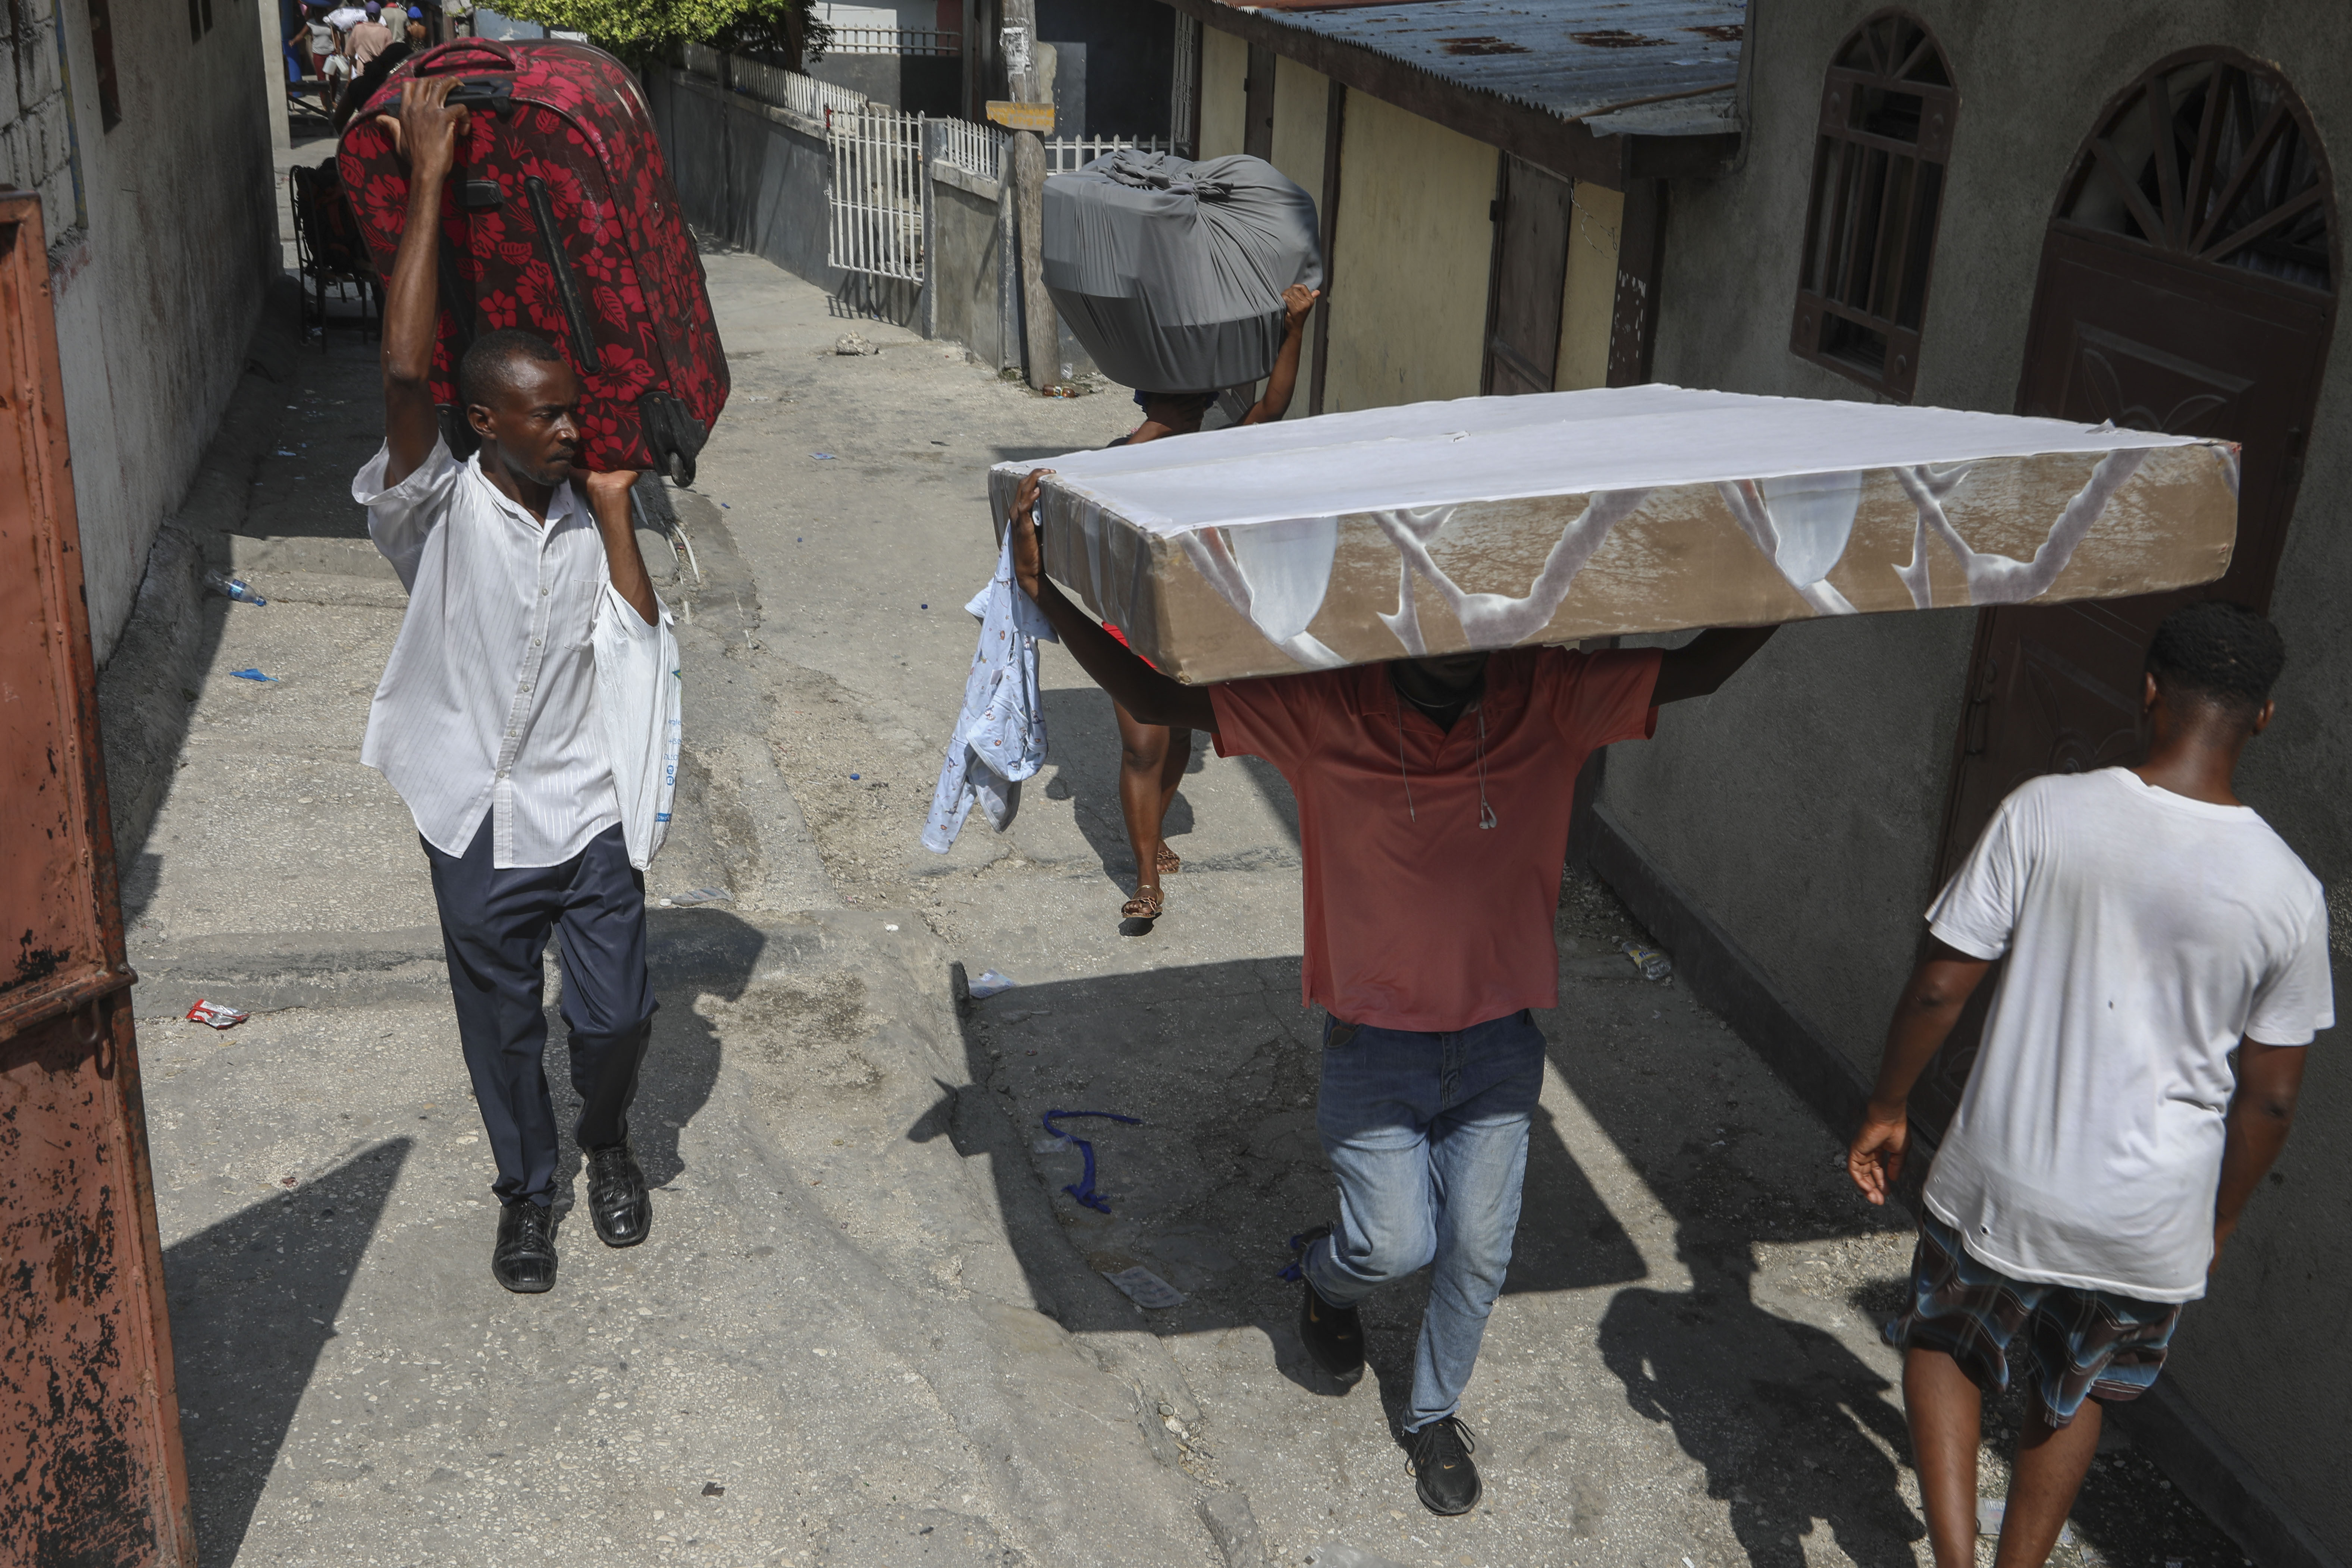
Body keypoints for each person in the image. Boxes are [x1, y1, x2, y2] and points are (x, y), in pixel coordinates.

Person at [1005, 466, 1777, 1513]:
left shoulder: (1547, 696)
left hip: (1501, 1042)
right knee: (1391, 1242)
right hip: (1374, 1044)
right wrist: (1046, 596)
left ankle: (1428, 1413)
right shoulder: (1326, 710)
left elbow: (1704, 669)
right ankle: (1328, 1280)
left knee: (1476, 1249)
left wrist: (1803, 570)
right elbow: (1153, 696)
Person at [1847, 601, 2329, 1568]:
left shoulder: (2047, 809)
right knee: (2073, 1388)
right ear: (2265, 717)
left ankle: (1953, 1560)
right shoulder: (2289, 891)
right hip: (2151, 1216)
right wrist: (2218, 1222)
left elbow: (1943, 981)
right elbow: (2269, 1099)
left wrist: (1890, 1104)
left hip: (2004, 1178)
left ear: (2146, 689)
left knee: (1945, 1342)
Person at [356, 77, 667, 1295]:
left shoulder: (597, 511)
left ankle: (606, 1135)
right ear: (482, 421)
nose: (571, 432)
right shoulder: (430, 506)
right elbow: (400, 368)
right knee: (502, 1029)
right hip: (471, 813)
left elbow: (641, 640)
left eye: (576, 414)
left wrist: (617, 512)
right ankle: (527, 1198)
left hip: (584, 805)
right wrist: (430, 178)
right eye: (547, 419)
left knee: (615, 1019)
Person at [1101, 281, 1318, 925]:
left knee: (1173, 743)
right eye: (1178, 395)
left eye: (1198, 394)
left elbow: (1271, 408)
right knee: (1144, 744)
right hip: (1133, 622)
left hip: (1197, 624)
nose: (1196, 402)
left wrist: (1295, 328)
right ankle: (1147, 881)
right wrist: (1160, 426)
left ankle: (1155, 832)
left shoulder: (1218, 446)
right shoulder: (1121, 459)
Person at [348, 0, 395, 68]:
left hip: (363, 71)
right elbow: (389, 54)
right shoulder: (386, 32)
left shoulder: (358, 29)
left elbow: (350, 52)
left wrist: (356, 65)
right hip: (379, 71)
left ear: (366, 14)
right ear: (380, 15)